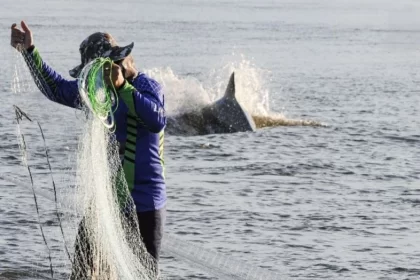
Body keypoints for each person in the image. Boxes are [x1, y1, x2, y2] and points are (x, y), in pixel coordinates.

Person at [10, 21, 166, 278]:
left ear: (117, 62)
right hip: (107, 204)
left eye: (101, 70)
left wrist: (122, 87)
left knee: (143, 274)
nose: (98, 78)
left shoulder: (147, 86)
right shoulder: (96, 91)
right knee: (82, 269)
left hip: (144, 205)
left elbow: (156, 120)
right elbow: (58, 89)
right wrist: (30, 52)